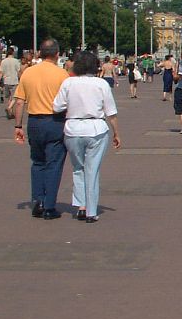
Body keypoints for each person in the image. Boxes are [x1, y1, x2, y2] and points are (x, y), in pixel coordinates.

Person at [52, 50, 122, 222]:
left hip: (73, 129)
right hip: (96, 129)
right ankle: (91, 211)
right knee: (92, 170)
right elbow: (111, 113)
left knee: (78, 168)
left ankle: (81, 206)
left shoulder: (68, 83)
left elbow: (57, 107)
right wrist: (116, 133)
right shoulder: (101, 84)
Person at [11, 39, 70, 219]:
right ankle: (49, 205)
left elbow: (19, 102)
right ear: (56, 54)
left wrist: (18, 125)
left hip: (34, 121)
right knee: (54, 164)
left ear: (40, 53)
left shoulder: (28, 73)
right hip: (55, 122)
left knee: (37, 162)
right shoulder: (62, 75)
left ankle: (38, 200)